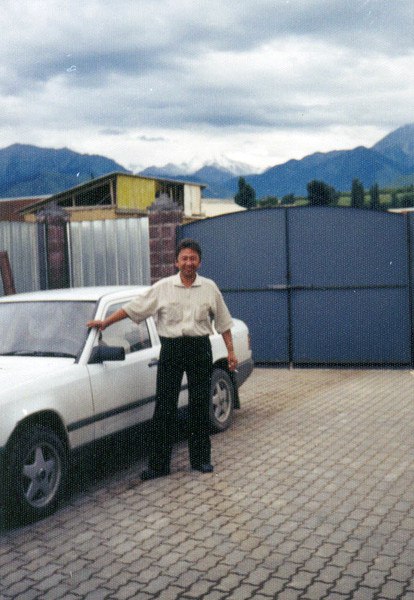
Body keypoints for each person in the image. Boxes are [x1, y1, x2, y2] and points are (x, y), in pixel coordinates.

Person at [87, 238, 238, 480]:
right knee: (165, 406)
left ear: (199, 262)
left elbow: (224, 323)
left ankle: (201, 459)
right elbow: (134, 308)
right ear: (176, 262)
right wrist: (106, 322)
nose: (188, 263)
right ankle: (159, 465)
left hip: (200, 348)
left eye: (193, 258)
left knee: (200, 404)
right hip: (171, 350)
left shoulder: (210, 288)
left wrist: (230, 352)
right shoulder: (162, 288)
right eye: (184, 258)